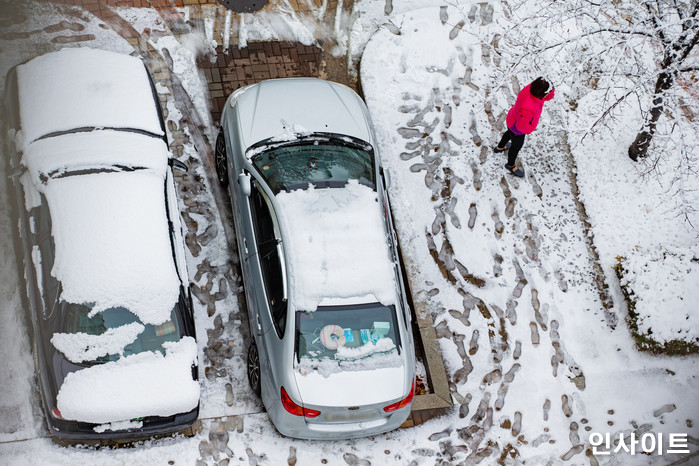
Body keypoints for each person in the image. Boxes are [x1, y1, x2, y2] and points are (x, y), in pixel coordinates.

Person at [494, 77, 555, 177]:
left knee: (508, 133)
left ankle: (500, 147)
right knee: (515, 147)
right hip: (517, 128)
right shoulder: (528, 107)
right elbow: (522, 127)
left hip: (512, 118)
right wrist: (531, 128)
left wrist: (550, 90)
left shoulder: (532, 87)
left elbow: (547, 97)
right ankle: (510, 165)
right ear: (542, 93)